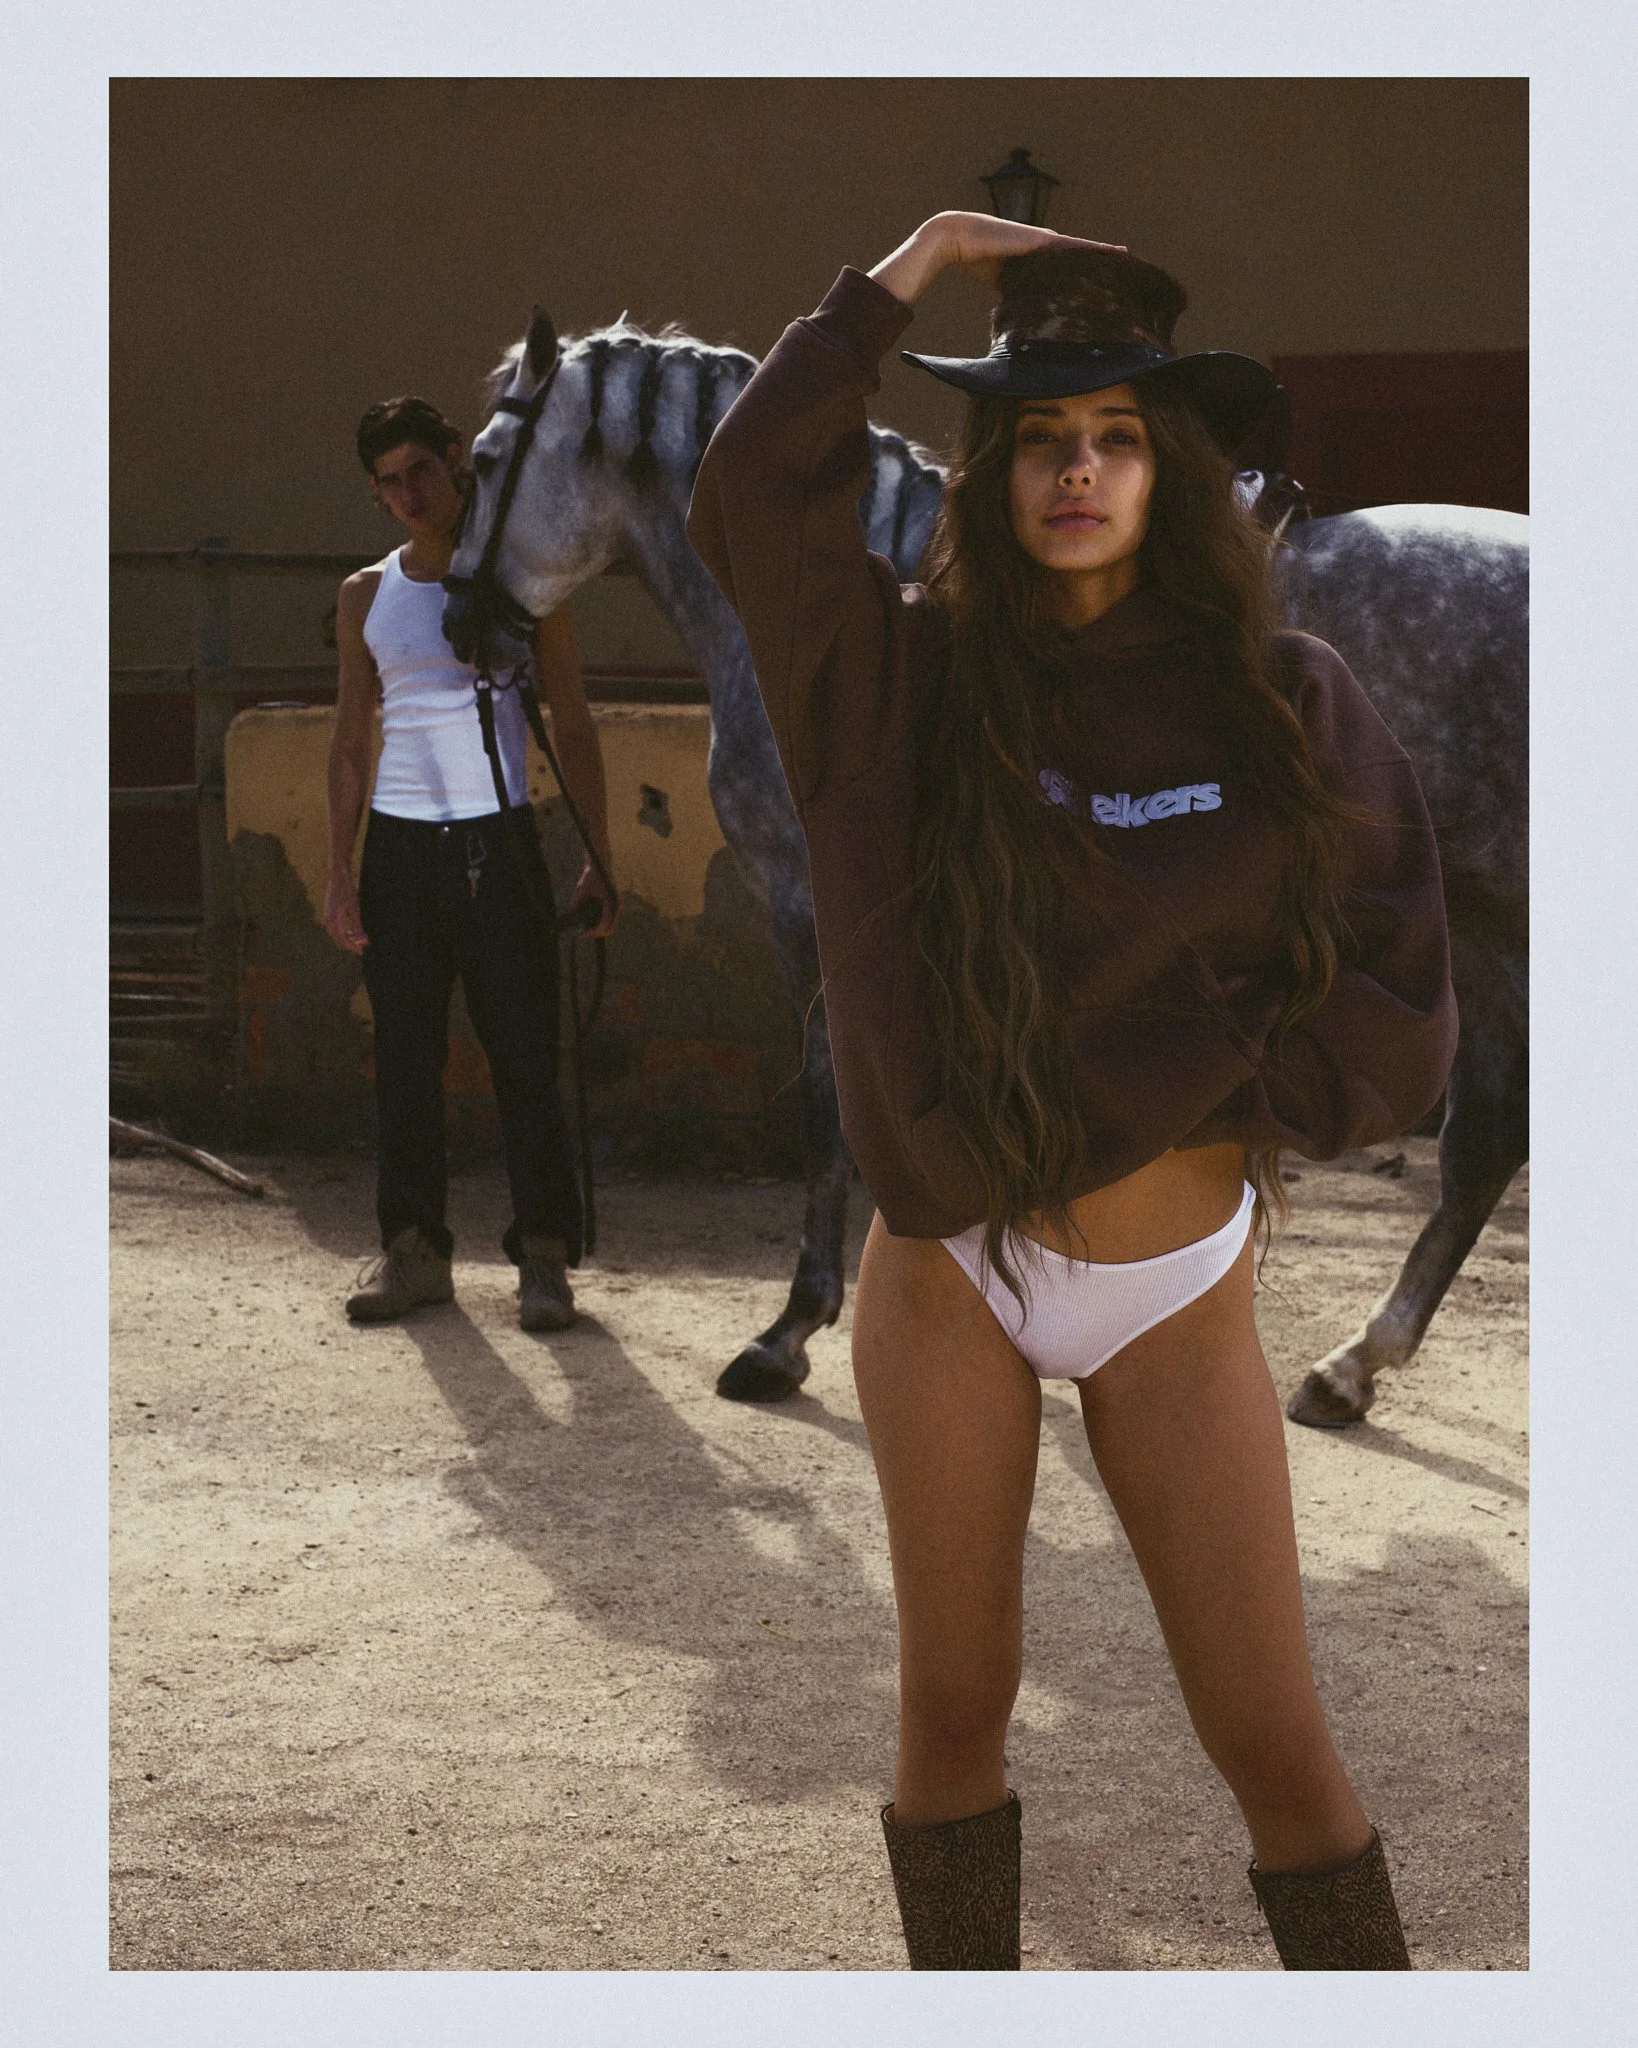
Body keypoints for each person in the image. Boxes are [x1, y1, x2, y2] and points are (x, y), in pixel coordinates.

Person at [685, 213, 1456, 1970]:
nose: (1079, 469)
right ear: (994, 468)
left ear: (1164, 467)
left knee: (1273, 1743)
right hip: (946, 1264)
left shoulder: (1281, 698)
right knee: (954, 1709)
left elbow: (1396, 979)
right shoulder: (892, 677)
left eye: (1114, 435)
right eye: (1040, 436)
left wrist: (1218, 1085)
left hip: (1171, 1291)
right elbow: (746, 491)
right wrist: (908, 265)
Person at [325, 396, 616, 1331]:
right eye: (388, 483)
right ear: (376, 498)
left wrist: (599, 857)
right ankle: (412, 1253)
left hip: (505, 841)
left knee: (525, 1059)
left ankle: (543, 1257)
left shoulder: (524, 582)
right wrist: (339, 870)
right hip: (400, 849)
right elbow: (346, 740)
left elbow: (571, 717)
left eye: (420, 470)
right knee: (404, 1061)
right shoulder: (365, 596)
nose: (409, 492)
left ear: (457, 461)